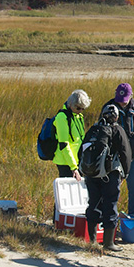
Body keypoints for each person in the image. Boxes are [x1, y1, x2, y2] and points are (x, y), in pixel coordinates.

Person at [82, 105, 132, 252]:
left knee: (93, 203)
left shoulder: (93, 129)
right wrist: (125, 173)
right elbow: (125, 153)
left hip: (91, 174)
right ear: (116, 117)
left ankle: (91, 240)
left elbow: (82, 150)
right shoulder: (117, 130)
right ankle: (108, 243)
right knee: (110, 204)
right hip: (110, 174)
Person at [102, 83, 134, 217]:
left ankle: (133, 218)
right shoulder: (108, 107)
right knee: (112, 190)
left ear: (131, 96)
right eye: (119, 100)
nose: (121, 103)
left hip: (133, 156)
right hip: (114, 157)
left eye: (124, 101)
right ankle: (110, 220)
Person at [53, 89, 89, 218]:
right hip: (65, 161)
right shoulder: (62, 117)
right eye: (78, 108)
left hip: (77, 160)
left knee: (75, 194)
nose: (80, 111)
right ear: (70, 104)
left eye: (82, 109)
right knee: (63, 195)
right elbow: (64, 144)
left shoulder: (78, 116)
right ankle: (58, 222)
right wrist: (73, 167)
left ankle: (71, 223)